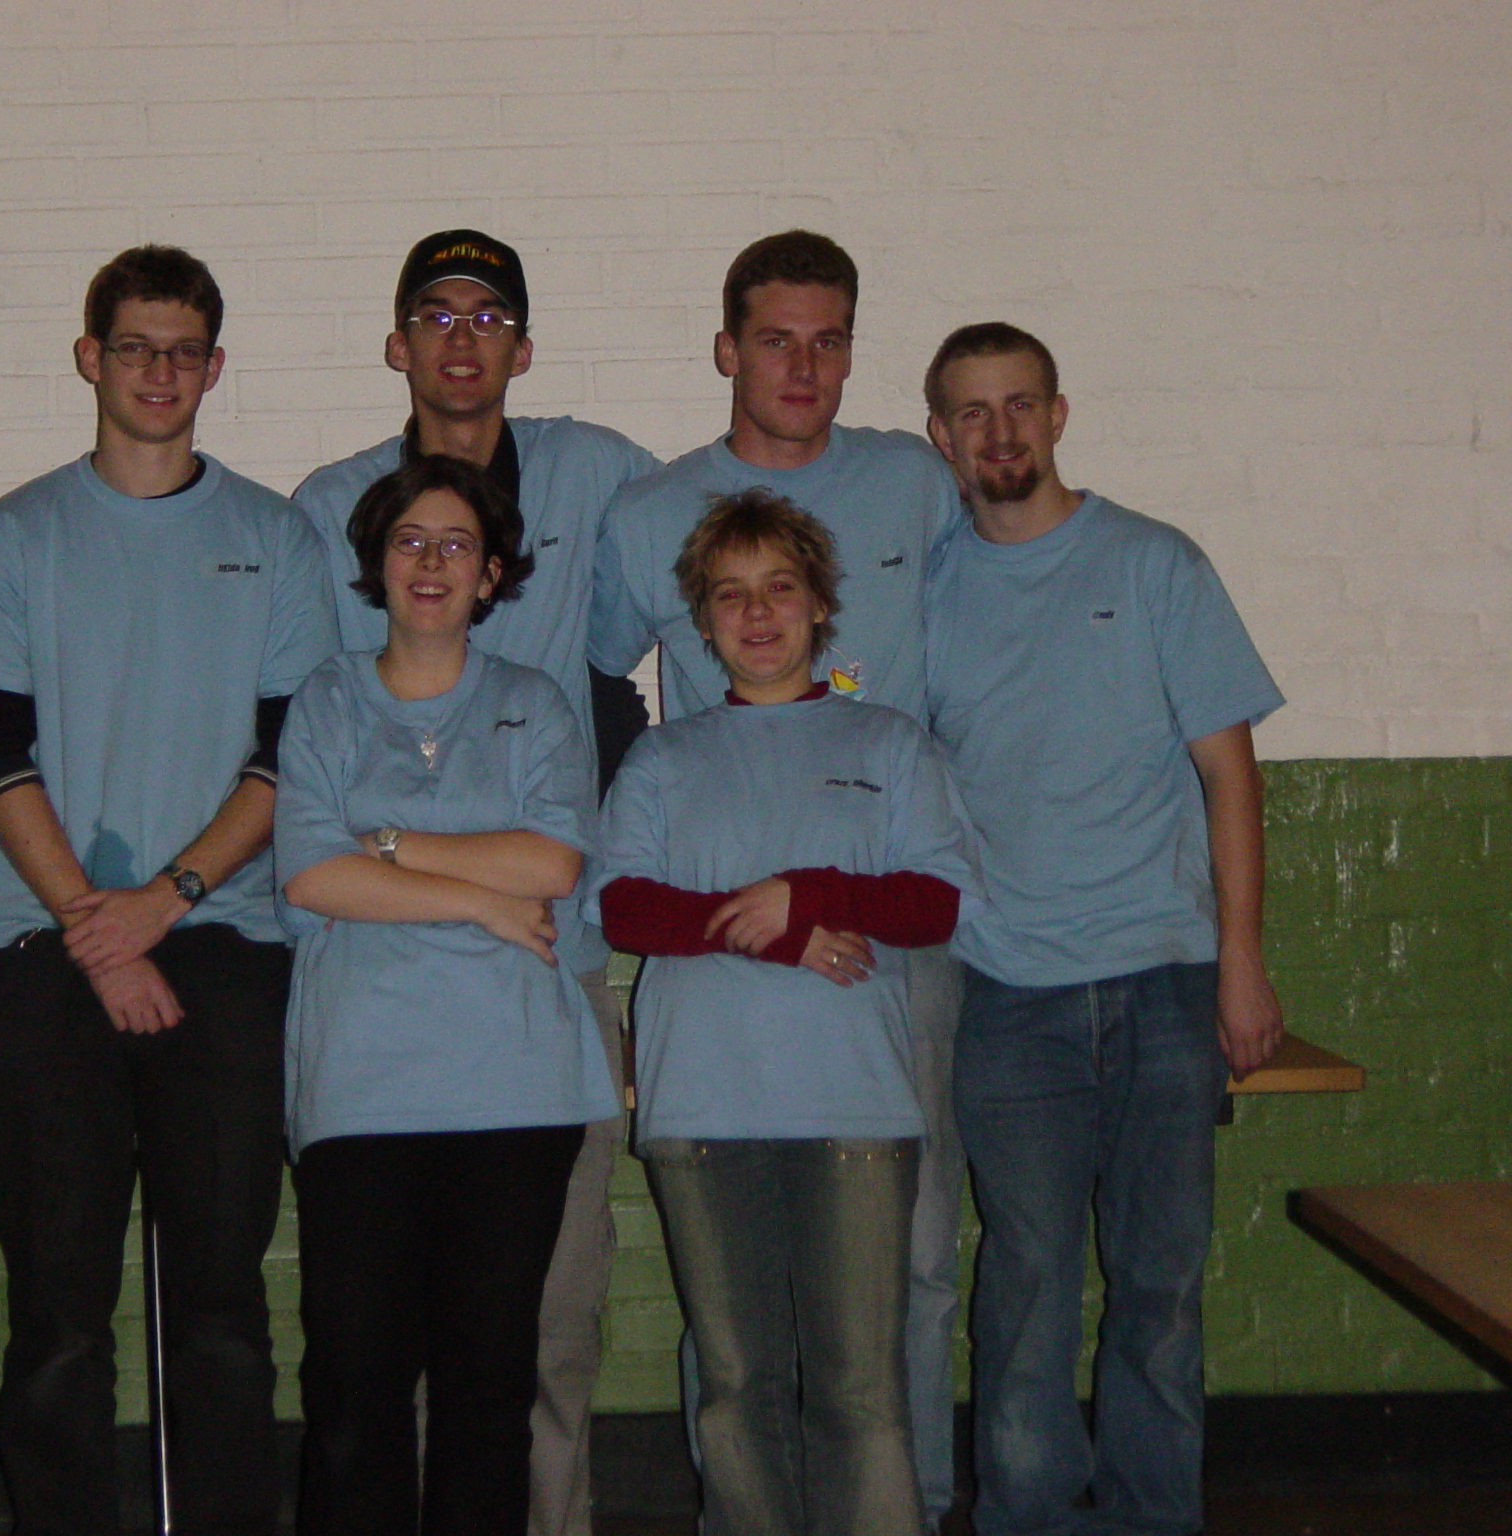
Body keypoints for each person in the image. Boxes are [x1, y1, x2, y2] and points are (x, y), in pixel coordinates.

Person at [0, 245, 337, 1535]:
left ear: (213, 369)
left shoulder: (274, 539)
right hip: (47, 954)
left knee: (219, 1308)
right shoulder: (15, 538)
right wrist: (96, 930)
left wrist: (163, 902)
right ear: (89, 359)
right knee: (56, 1313)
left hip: (221, 949)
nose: (158, 372)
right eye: (133, 347)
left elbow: (289, 753)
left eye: (183, 351)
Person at [588, 229, 971, 1530]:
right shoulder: (649, 514)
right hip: (719, 993)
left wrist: (820, 894)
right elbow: (596, 688)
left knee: (913, 1267)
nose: (801, 366)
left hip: (884, 954)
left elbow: (988, 630)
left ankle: (907, 1508)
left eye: (827, 341)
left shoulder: (914, 484)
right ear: (726, 349)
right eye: (774, 339)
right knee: (736, 1342)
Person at [293, 228, 658, 1535]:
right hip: (376, 1016)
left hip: (540, 983)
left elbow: (729, 577)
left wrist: (390, 843)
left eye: (488, 315)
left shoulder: (597, 474)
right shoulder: (325, 509)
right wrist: (452, 876)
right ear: (397, 343)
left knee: (536, 1351)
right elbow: (306, 837)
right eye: (436, 315)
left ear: (523, 346)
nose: (462, 338)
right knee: (364, 1375)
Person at [922, 322, 1285, 1536]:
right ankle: (1024, 1517)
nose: (999, 432)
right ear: (940, 437)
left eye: (1018, 404)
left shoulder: (1152, 564)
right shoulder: (926, 589)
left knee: (1158, 1288)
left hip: (1166, 982)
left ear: (1058, 415)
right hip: (1003, 989)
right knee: (1024, 1285)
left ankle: (1151, 1517)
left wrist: (1240, 961)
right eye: (972, 412)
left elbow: (1229, 774)